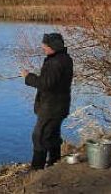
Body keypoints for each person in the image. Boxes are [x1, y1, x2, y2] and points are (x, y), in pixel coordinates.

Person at [20, 33, 73, 170]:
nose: (42, 47)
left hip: (51, 107)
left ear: (53, 47)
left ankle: (37, 170)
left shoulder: (55, 62)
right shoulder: (64, 58)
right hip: (59, 106)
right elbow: (50, 81)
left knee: (40, 137)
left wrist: (28, 77)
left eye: (45, 45)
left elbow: (45, 84)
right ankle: (54, 163)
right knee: (52, 135)